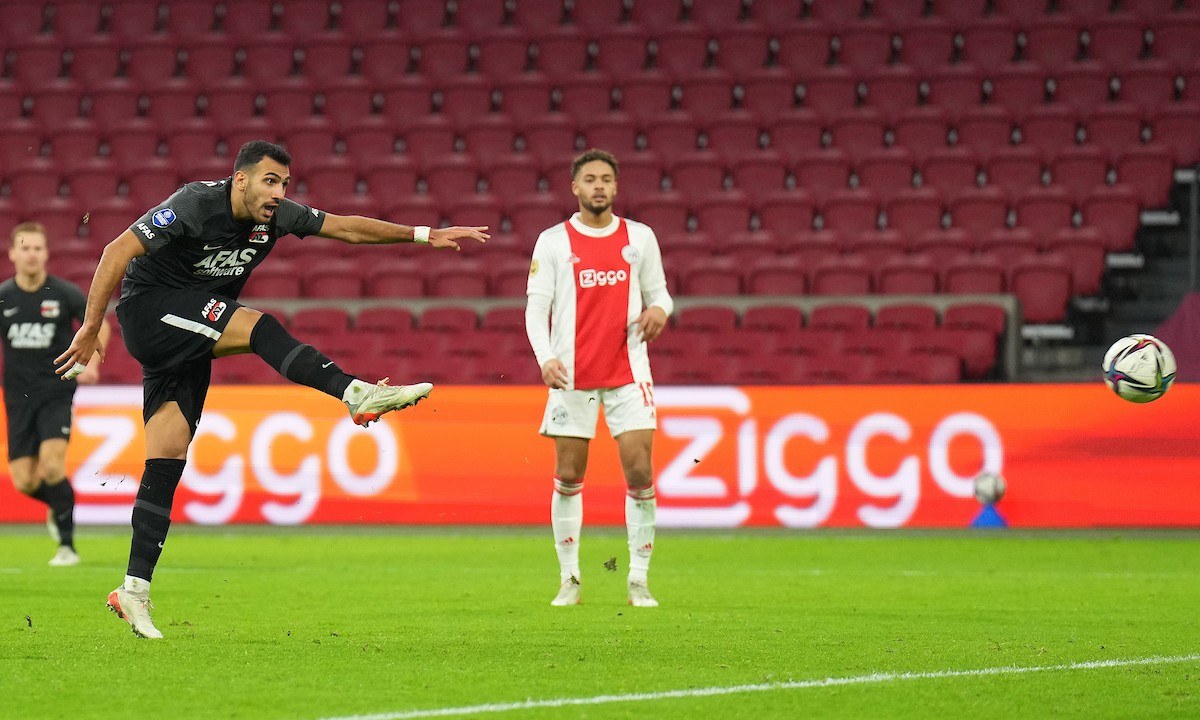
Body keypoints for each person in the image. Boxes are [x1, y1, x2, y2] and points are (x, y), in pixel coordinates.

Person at [55, 140, 489, 639]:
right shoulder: (195, 204)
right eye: (269, 181)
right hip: (150, 313)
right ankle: (354, 393)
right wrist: (91, 326)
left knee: (167, 457)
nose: (279, 192)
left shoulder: (278, 215)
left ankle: (133, 589)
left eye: (284, 183)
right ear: (240, 179)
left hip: (192, 334)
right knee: (259, 326)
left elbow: (346, 228)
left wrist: (424, 234)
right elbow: (115, 250)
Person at [525, 149, 672, 608]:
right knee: (569, 476)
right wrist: (546, 358)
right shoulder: (553, 241)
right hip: (572, 376)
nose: (599, 186)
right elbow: (536, 308)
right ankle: (569, 578)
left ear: (616, 186)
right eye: (590, 179)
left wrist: (659, 310)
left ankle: (638, 580)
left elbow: (661, 295)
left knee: (640, 471)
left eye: (606, 179)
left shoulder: (640, 237)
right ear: (575, 187)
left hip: (629, 373)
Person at [2, 222, 111, 567]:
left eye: (37, 248)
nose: (31, 254)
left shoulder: (64, 293)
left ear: (46, 253)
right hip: (17, 397)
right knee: (24, 481)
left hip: (56, 391)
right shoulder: (4, 296)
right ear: (13, 254)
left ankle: (67, 547)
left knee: (52, 465)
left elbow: (99, 324)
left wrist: (92, 361)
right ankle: (60, 505)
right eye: (25, 248)